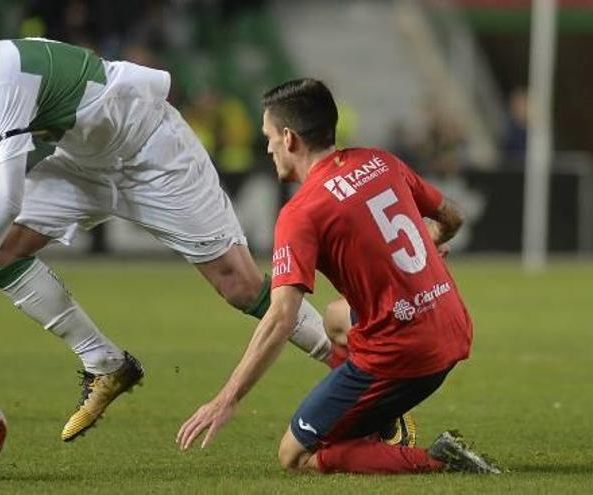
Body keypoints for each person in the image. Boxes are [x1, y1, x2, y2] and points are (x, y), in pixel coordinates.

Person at [0, 32, 345, 442]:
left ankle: (353, 367)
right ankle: (105, 363)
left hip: (152, 151)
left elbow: (5, 201)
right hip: (85, 164)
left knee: (239, 286)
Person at [176, 78, 501, 475]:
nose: (267, 147)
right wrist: (428, 242)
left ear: (290, 138)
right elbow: (454, 216)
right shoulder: (381, 161)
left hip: (405, 354)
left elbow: (281, 318)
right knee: (334, 318)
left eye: (269, 136)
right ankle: (379, 419)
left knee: (294, 455)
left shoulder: (302, 212)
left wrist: (227, 398)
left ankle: (441, 462)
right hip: (452, 326)